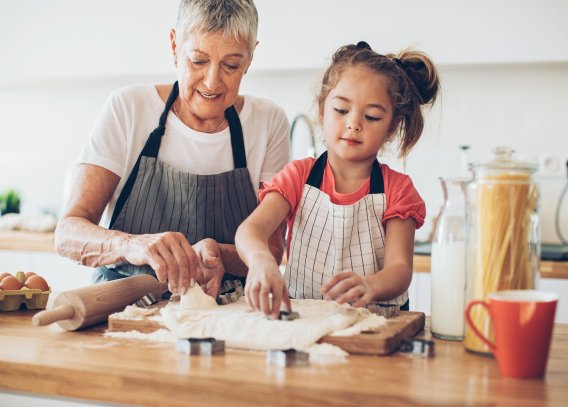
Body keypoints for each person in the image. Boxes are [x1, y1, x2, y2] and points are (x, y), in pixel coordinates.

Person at [55, 0, 290, 298]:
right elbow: (68, 233)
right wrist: (132, 244)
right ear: (174, 46)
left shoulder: (268, 121)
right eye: (198, 60)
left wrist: (215, 254)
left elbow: (272, 248)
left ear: (250, 58)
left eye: (231, 65)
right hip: (122, 305)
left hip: (227, 310)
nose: (212, 81)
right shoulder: (128, 109)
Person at [235, 41, 440, 318]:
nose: (354, 124)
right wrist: (261, 260)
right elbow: (250, 231)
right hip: (304, 319)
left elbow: (400, 270)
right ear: (322, 111)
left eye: (372, 116)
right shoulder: (298, 177)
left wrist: (371, 285)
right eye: (341, 111)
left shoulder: (398, 190)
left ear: (391, 127)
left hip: (376, 324)